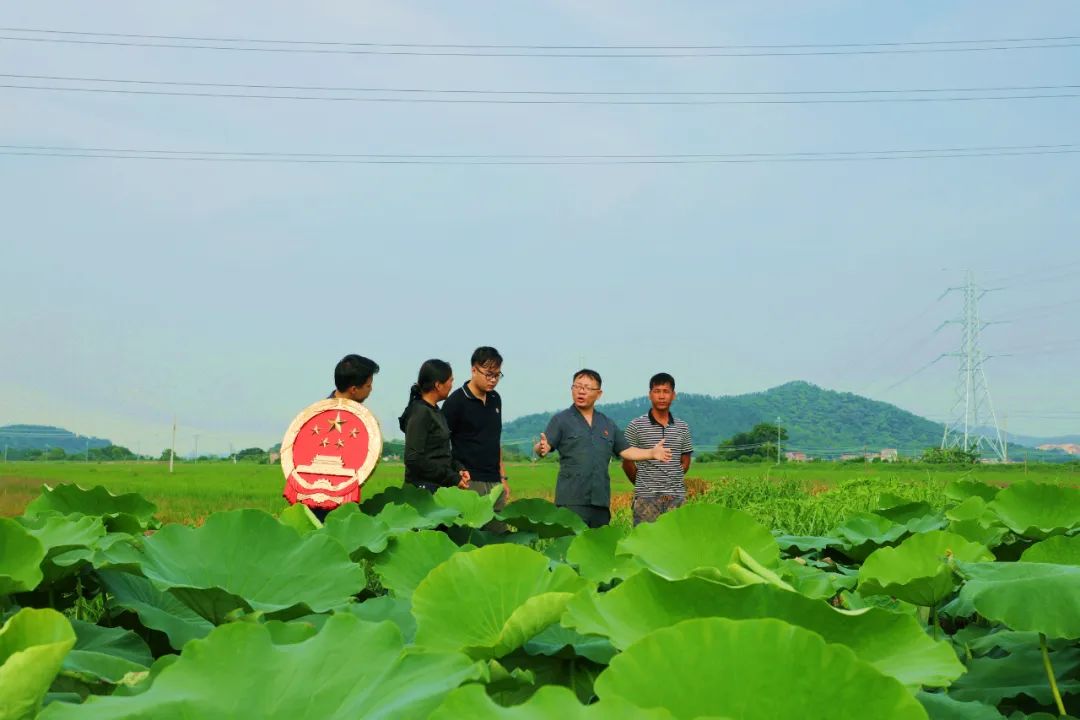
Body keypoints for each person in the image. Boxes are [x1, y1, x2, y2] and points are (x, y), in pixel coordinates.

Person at [534, 369, 672, 528]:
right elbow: (544, 446)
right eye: (577, 386)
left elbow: (626, 450)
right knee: (570, 542)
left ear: (598, 394)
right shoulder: (561, 420)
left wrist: (652, 453)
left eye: (587, 388)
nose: (581, 391)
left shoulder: (607, 423)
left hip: (600, 501)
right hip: (571, 500)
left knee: (599, 542)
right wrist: (540, 448)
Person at [443, 346, 509, 529]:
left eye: (497, 375)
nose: (493, 380)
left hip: (494, 480)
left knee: (498, 535)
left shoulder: (495, 399)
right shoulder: (456, 402)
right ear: (474, 370)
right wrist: (455, 474)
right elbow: (442, 444)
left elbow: (495, 441)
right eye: (489, 374)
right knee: (470, 534)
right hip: (469, 481)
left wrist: (503, 478)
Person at [621, 373, 694, 525]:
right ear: (650, 395)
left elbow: (686, 461)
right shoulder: (636, 426)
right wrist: (643, 484)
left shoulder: (682, 427)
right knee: (645, 539)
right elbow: (627, 462)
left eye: (666, 391)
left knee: (676, 538)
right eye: (657, 391)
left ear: (673, 395)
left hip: (676, 497)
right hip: (646, 499)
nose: (661, 396)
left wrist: (672, 479)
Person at [398, 359, 470, 493]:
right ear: (438, 385)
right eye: (450, 381)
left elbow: (440, 453)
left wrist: (458, 468)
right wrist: (452, 478)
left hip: (437, 487)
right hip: (422, 491)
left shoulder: (435, 410)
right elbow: (413, 459)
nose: (452, 385)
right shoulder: (420, 412)